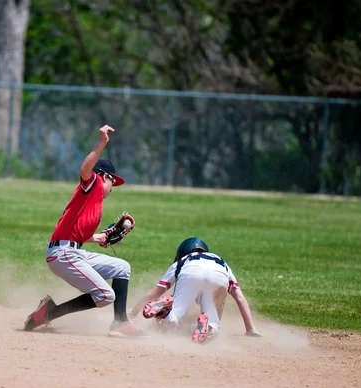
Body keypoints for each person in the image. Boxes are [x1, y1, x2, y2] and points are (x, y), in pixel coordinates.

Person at [24, 124, 145, 338]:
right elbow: (84, 171)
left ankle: (120, 322)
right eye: (112, 182)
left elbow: (74, 233)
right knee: (105, 295)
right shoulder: (94, 184)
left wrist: (97, 238)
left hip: (72, 251)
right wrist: (102, 143)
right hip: (63, 255)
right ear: (105, 176)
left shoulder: (93, 202)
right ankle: (52, 313)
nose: (112, 188)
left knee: (122, 268)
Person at [129, 237, 261, 343]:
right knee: (214, 327)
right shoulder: (220, 261)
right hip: (219, 275)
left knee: (174, 319)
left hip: (190, 271)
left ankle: (165, 311)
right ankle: (208, 326)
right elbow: (240, 298)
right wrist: (251, 329)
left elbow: (155, 292)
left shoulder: (183, 260)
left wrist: (133, 313)